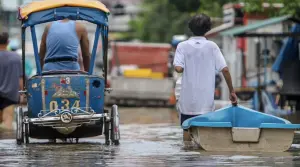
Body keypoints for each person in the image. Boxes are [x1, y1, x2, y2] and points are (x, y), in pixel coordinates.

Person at [173, 14, 238, 142]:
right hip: (206, 104)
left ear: (190, 28)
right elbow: (224, 69)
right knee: (205, 137)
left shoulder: (182, 46)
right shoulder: (212, 47)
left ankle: (187, 156)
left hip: (187, 103)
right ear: (208, 28)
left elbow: (178, 69)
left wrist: (185, 64)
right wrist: (232, 91)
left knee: (187, 134)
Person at [0, 31, 23, 130]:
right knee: (8, 121)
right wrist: (21, 94)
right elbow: (20, 78)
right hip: (10, 95)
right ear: (8, 42)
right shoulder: (16, 57)